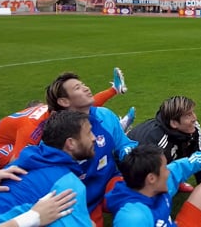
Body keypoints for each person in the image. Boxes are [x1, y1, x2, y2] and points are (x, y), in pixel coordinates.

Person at [0, 67, 133, 169]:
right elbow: (18, 163)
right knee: (24, 166)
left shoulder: (64, 111)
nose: (86, 88)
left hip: (12, 133)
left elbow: (86, 105)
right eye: (78, 87)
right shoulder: (32, 128)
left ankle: (116, 128)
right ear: (62, 104)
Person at [0, 111, 95, 226]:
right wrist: (32, 218)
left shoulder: (25, 161)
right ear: (70, 143)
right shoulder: (67, 184)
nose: (94, 138)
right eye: (89, 133)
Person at [45, 71, 138, 227]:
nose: (86, 88)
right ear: (64, 101)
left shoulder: (105, 115)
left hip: (110, 182)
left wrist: (130, 155)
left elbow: (124, 144)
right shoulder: (57, 135)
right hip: (80, 198)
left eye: (83, 85)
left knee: (139, 199)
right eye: (77, 88)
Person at [105, 143, 201, 227]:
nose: (167, 171)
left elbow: (180, 167)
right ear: (151, 178)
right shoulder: (133, 218)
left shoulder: (148, 185)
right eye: (164, 168)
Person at [128, 96, 201, 193]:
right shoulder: (156, 141)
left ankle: (176, 181)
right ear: (174, 123)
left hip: (165, 151)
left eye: (193, 112)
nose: (194, 118)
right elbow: (148, 177)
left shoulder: (193, 126)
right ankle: (173, 182)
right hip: (131, 167)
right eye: (188, 115)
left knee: (197, 144)